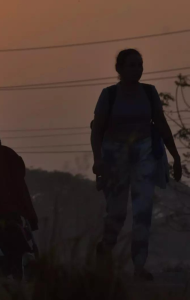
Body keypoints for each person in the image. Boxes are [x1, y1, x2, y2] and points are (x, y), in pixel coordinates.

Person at [91, 49, 182, 281]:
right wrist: (98, 161)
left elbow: (161, 125)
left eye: (139, 65)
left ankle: (139, 266)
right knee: (117, 214)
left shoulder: (149, 93)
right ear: (119, 70)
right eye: (131, 65)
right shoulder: (109, 95)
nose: (137, 69)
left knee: (143, 213)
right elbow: (97, 130)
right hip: (115, 157)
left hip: (144, 155)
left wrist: (175, 156)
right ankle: (105, 251)